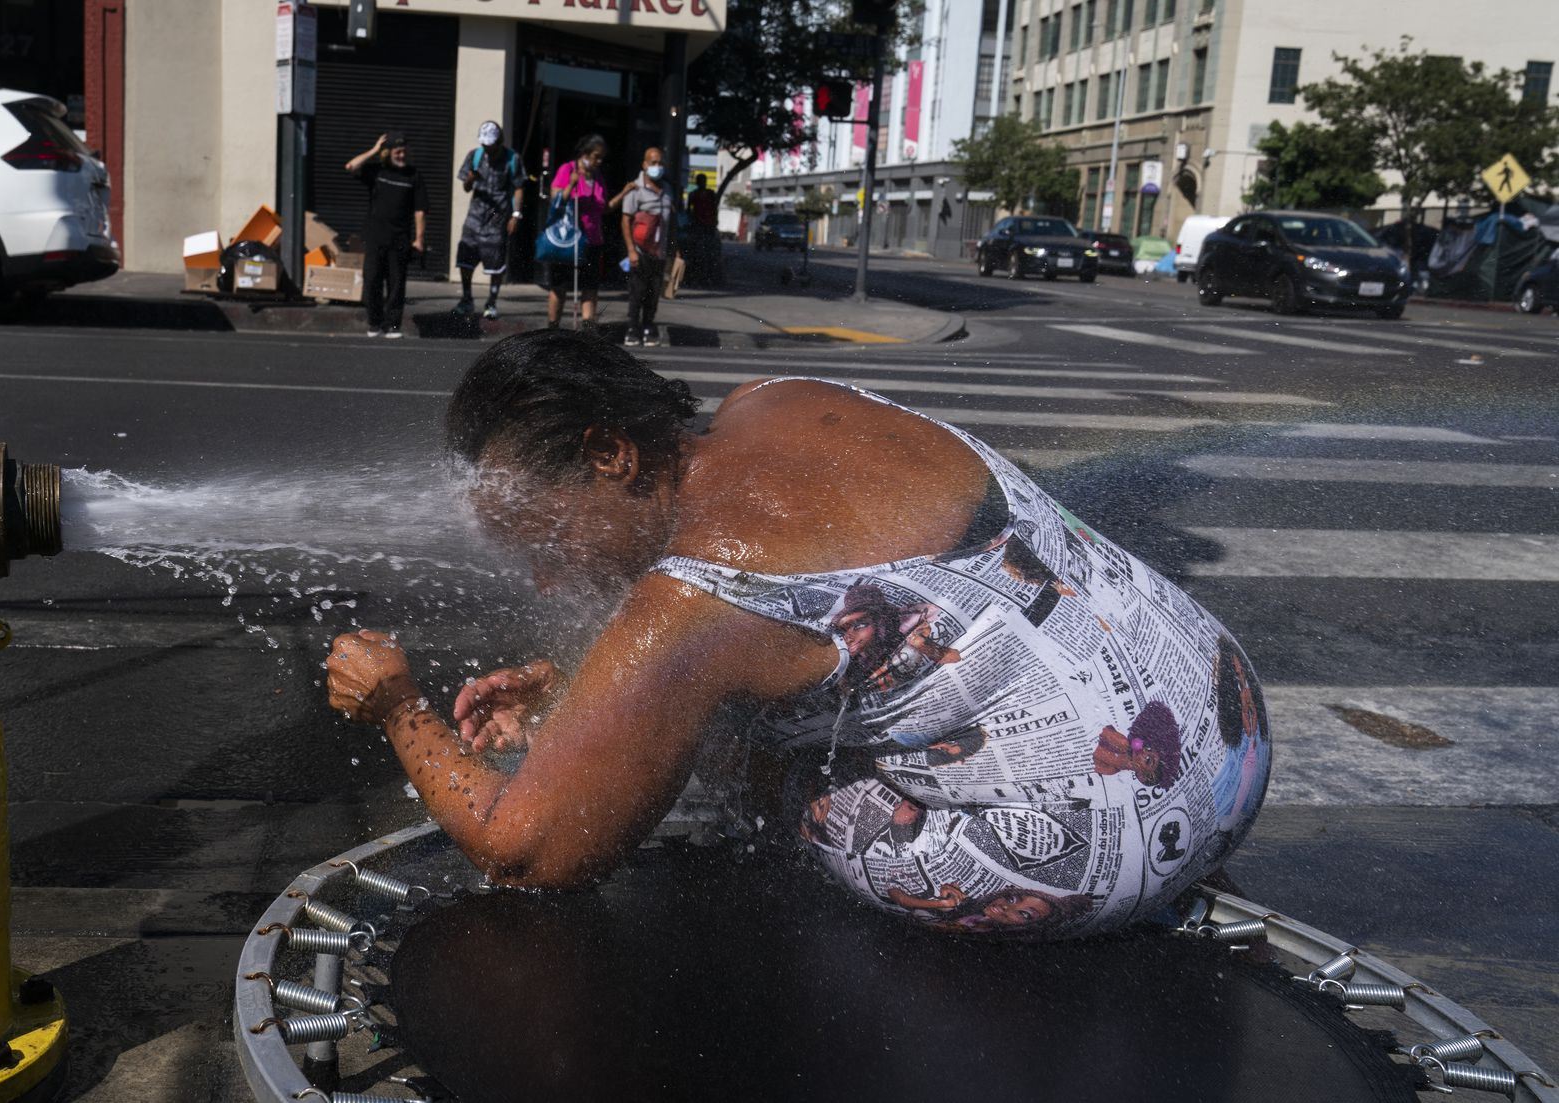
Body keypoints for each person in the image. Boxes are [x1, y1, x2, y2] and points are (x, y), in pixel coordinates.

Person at [324, 331, 1270, 939]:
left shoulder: (694, 602)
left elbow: (529, 852)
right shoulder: (771, 397)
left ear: (611, 454)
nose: (545, 574)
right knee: (699, 702)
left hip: (1109, 842)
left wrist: (401, 708)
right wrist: (590, 692)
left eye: (546, 536)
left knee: (717, 745)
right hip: (1225, 710)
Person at [345, 131, 430, 338]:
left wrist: (419, 239)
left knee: (396, 283)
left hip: (400, 238)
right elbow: (351, 166)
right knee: (372, 280)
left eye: (404, 152)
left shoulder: (413, 176)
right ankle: (374, 323)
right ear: (388, 152)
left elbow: (420, 210)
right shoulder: (377, 172)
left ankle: (392, 325)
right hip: (375, 237)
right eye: (398, 151)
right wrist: (374, 150)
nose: (402, 155)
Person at [453, 120, 527, 321]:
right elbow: (466, 188)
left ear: (499, 141)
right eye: (484, 144)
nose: (487, 148)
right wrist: (470, 179)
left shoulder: (512, 159)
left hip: (497, 217)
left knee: (495, 262)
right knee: (465, 260)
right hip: (475, 217)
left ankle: (491, 302)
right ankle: (466, 299)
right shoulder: (475, 156)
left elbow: (519, 187)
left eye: (491, 144)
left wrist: (515, 215)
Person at [540, 135, 608, 330]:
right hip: (568, 239)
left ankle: (587, 329)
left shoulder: (597, 176)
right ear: (584, 154)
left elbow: (603, 205)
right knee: (559, 285)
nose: (598, 161)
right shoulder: (567, 170)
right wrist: (571, 184)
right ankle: (553, 327)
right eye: (596, 157)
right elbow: (555, 198)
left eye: (601, 158)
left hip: (592, 239)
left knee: (589, 285)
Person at [619, 146, 674, 348]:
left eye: (660, 163)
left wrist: (674, 250)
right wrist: (631, 250)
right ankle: (632, 328)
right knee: (637, 291)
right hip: (640, 250)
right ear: (644, 164)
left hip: (659, 251)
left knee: (654, 290)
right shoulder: (635, 189)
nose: (657, 167)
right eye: (653, 163)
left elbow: (671, 222)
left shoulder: (667, 190)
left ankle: (649, 326)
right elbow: (625, 221)